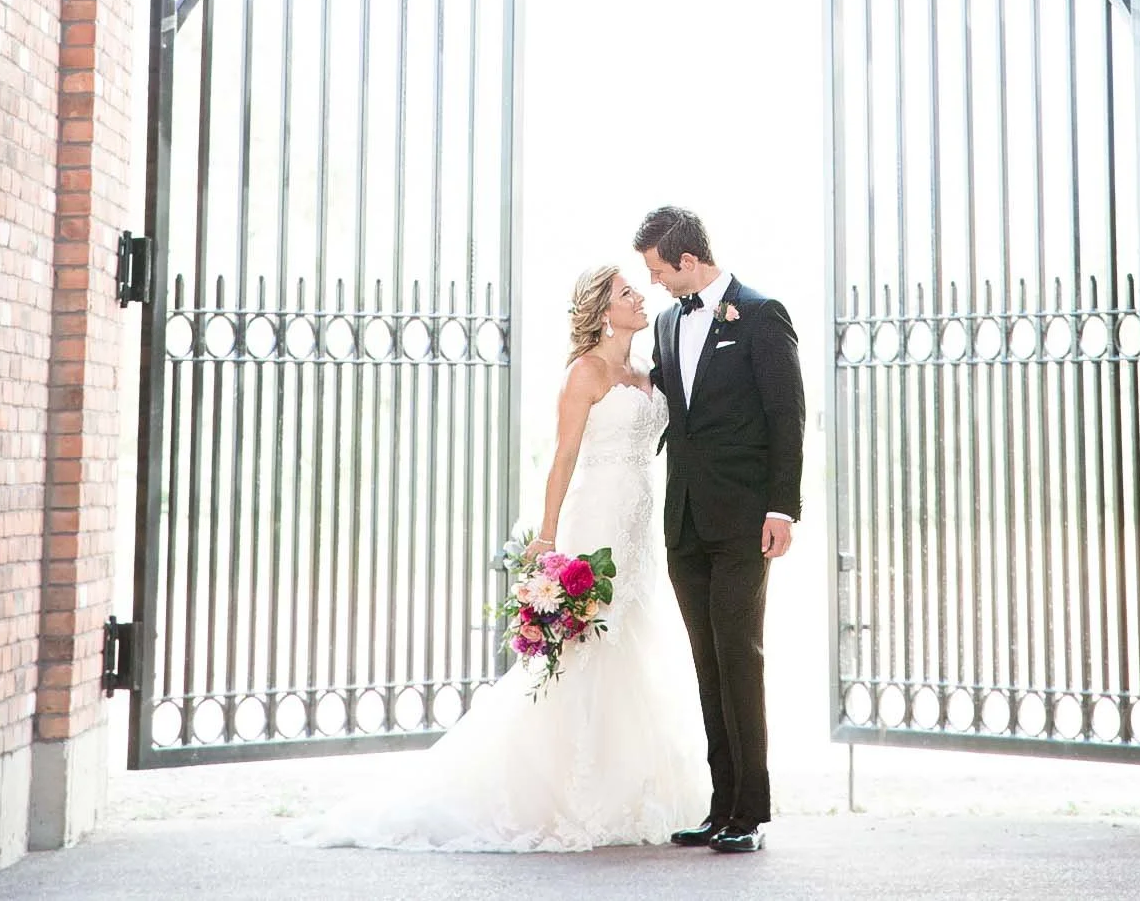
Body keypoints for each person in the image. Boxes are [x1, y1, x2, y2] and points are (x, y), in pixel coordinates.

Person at [288, 264, 706, 851]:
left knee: (632, 640)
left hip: (640, 523)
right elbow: (562, 459)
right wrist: (549, 537)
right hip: (595, 517)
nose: (640, 298)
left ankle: (628, 788)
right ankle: (562, 790)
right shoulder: (584, 373)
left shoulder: (645, 371)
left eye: (638, 290)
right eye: (626, 293)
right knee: (584, 647)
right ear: (601, 310)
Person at [636, 203, 806, 856]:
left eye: (657, 270)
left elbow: (784, 415)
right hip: (683, 519)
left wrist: (781, 508)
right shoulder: (663, 321)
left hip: (743, 522)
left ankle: (749, 813)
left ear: (688, 259)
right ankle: (718, 806)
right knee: (706, 663)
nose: (652, 282)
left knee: (740, 657)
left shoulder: (760, 315)